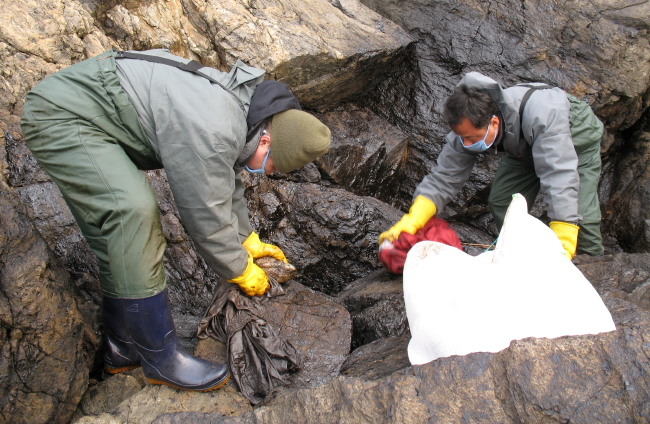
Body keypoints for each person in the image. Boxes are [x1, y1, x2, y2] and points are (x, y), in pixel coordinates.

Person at [20, 49, 331, 392]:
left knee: (117, 238)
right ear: (268, 139)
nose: (266, 172)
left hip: (93, 114)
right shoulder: (215, 124)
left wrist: (247, 239)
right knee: (131, 212)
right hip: (62, 115)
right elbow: (204, 213)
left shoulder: (243, 114)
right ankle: (161, 357)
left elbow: (225, 179)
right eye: (271, 165)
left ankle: (122, 347)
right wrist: (238, 267)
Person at [379, 71, 604, 260]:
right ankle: (522, 257)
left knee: (580, 215)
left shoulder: (542, 115)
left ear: (494, 122)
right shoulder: (468, 125)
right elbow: (444, 177)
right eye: (462, 138)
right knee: (502, 202)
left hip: (575, 141)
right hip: (521, 148)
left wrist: (563, 236)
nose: (466, 144)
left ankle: (594, 266)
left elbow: (559, 175)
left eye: (471, 138)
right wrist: (413, 219)